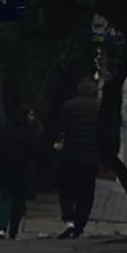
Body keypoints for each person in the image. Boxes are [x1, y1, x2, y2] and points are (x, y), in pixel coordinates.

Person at [51, 76, 106, 238]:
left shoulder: (69, 106)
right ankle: (79, 225)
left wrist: (58, 150)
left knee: (66, 189)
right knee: (86, 193)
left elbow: (61, 130)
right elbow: (103, 134)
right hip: (91, 159)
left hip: (70, 156)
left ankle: (69, 219)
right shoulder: (99, 108)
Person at [0, 108, 41, 240]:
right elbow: (35, 152)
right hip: (23, 172)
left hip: (6, 170)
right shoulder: (30, 134)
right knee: (18, 201)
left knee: (5, 199)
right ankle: (13, 231)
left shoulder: (6, 131)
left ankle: (2, 228)